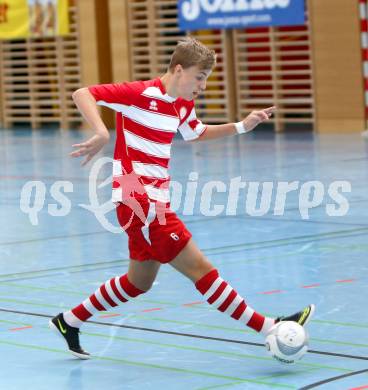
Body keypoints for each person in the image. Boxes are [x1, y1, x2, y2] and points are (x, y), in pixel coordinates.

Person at [49, 37, 315, 359]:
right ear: (178, 69)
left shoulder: (182, 105)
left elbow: (196, 132)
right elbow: (83, 93)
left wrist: (242, 126)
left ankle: (70, 320)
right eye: (199, 77)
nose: (202, 86)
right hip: (139, 202)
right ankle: (269, 326)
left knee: (138, 282)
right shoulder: (138, 94)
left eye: (206, 79)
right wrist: (102, 132)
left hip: (153, 201)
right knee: (201, 269)